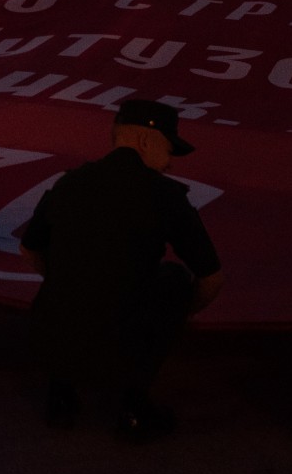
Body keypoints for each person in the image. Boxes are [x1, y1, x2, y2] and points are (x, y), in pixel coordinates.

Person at [20, 99, 222, 441]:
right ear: (145, 141)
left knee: (72, 272)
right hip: (119, 344)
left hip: (49, 338)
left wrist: (71, 280)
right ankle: (134, 405)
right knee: (173, 281)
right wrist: (180, 316)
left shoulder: (70, 183)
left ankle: (61, 395)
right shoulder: (164, 195)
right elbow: (211, 276)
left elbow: (29, 248)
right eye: (169, 150)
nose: (170, 163)